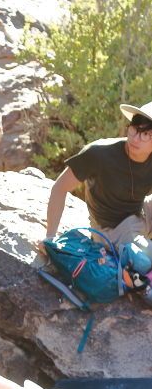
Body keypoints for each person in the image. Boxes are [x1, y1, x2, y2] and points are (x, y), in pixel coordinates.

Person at [41, 101, 152, 291]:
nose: (135, 138)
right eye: (134, 129)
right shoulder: (99, 154)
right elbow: (59, 188)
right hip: (112, 228)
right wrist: (50, 239)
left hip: (139, 214)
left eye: (146, 134)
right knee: (142, 262)